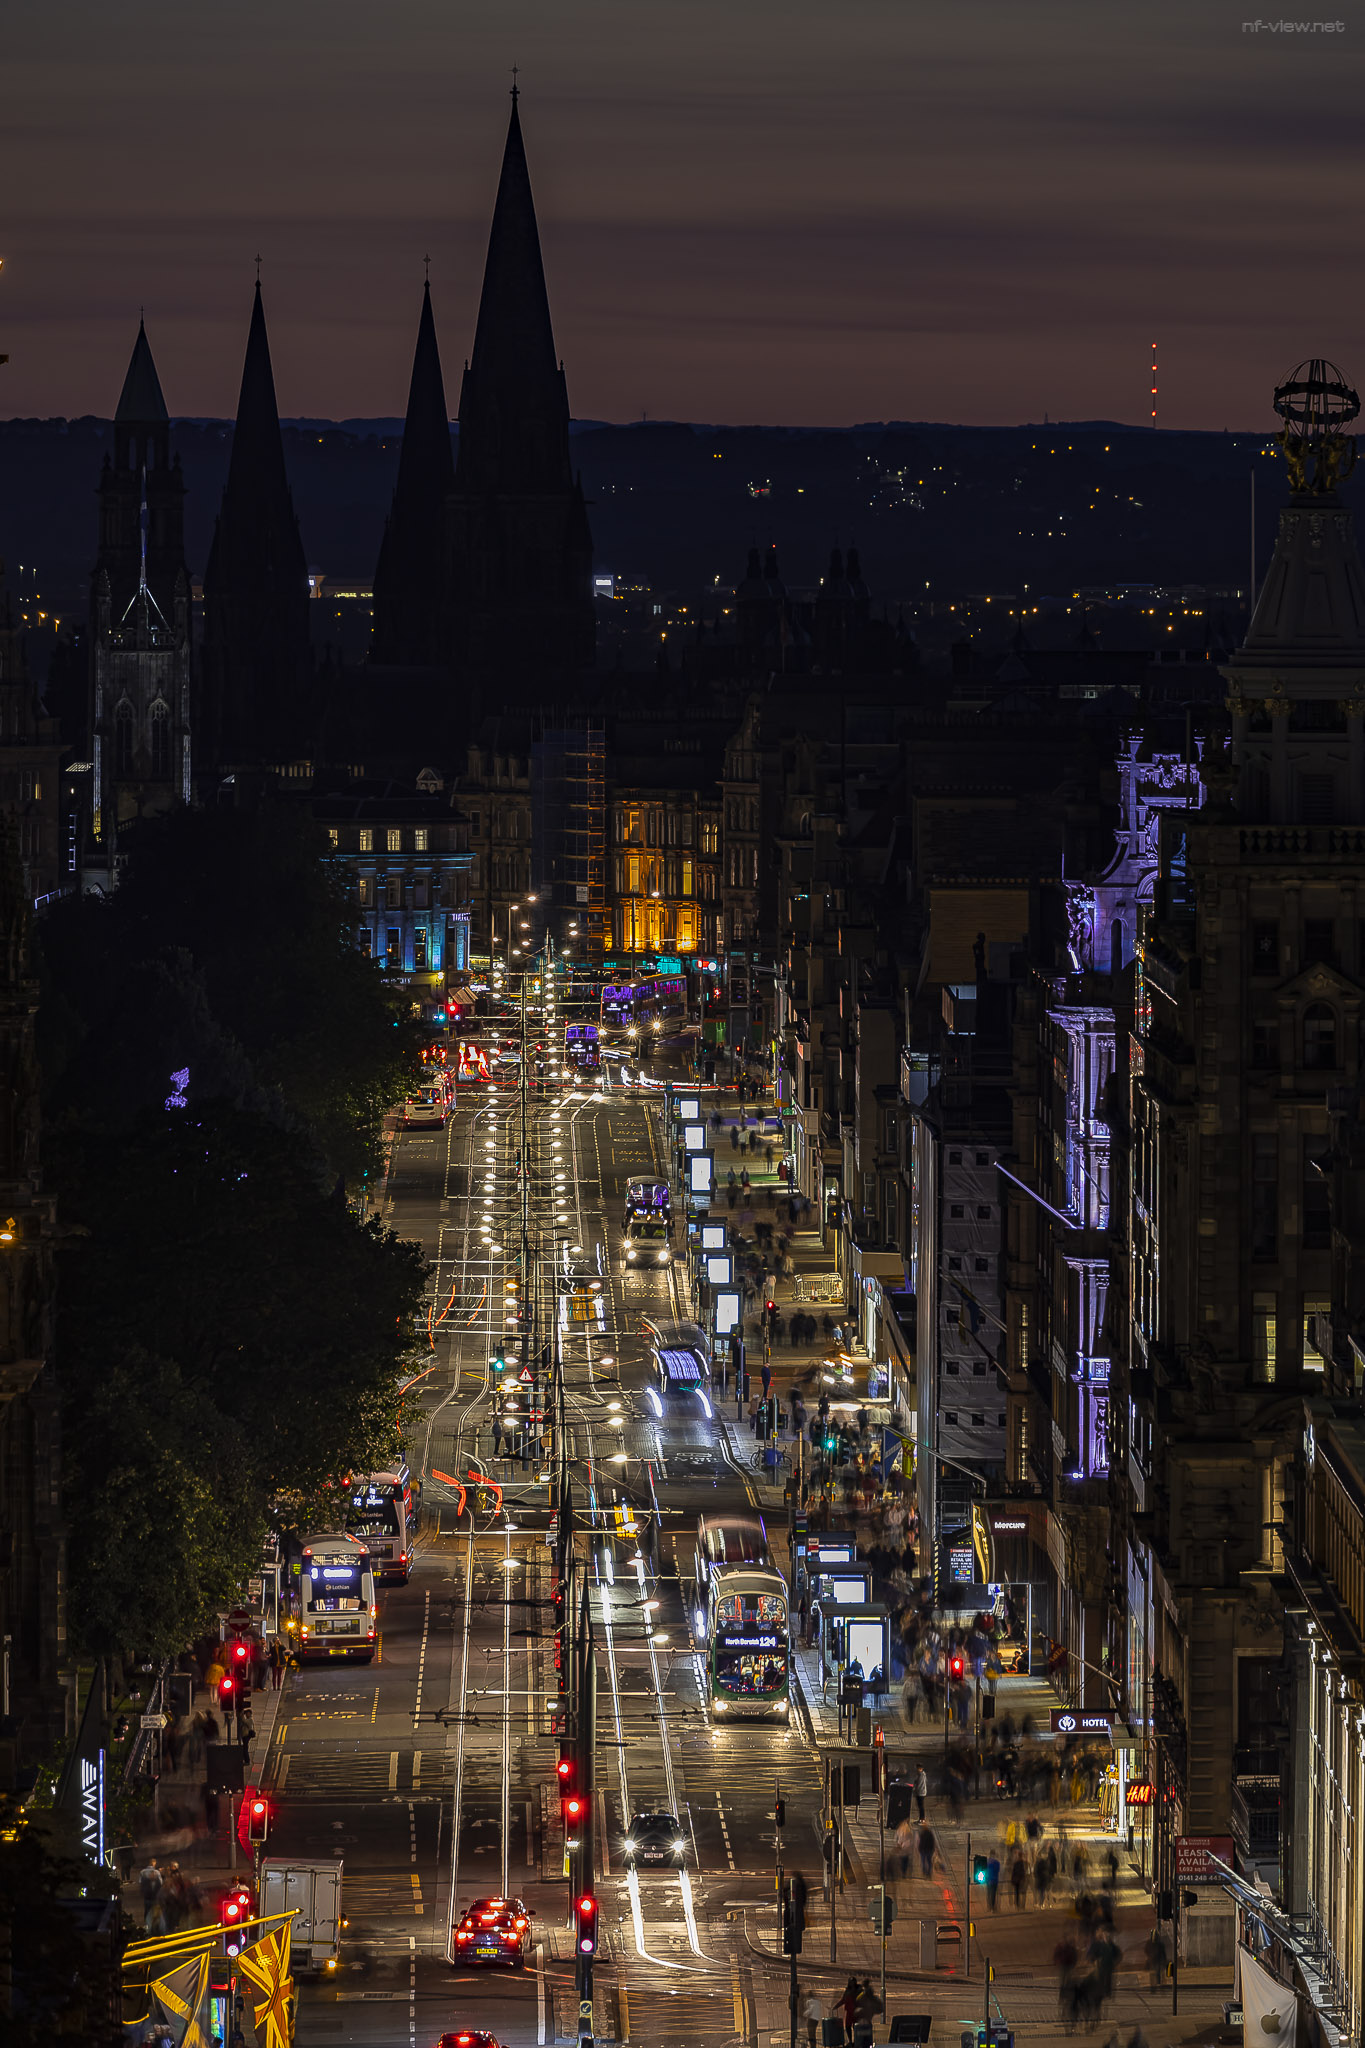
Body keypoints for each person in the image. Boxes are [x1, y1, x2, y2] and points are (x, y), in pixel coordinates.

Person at [138, 1856, 163, 1931]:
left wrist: (142, 1892)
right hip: (155, 1897)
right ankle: (155, 1925)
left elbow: (140, 1882)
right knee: (155, 1911)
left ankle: (147, 1925)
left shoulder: (142, 1872)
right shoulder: (157, 1872)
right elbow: (161, 1883)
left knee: (147, 1910)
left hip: (147, 1897)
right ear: (154, 1863)